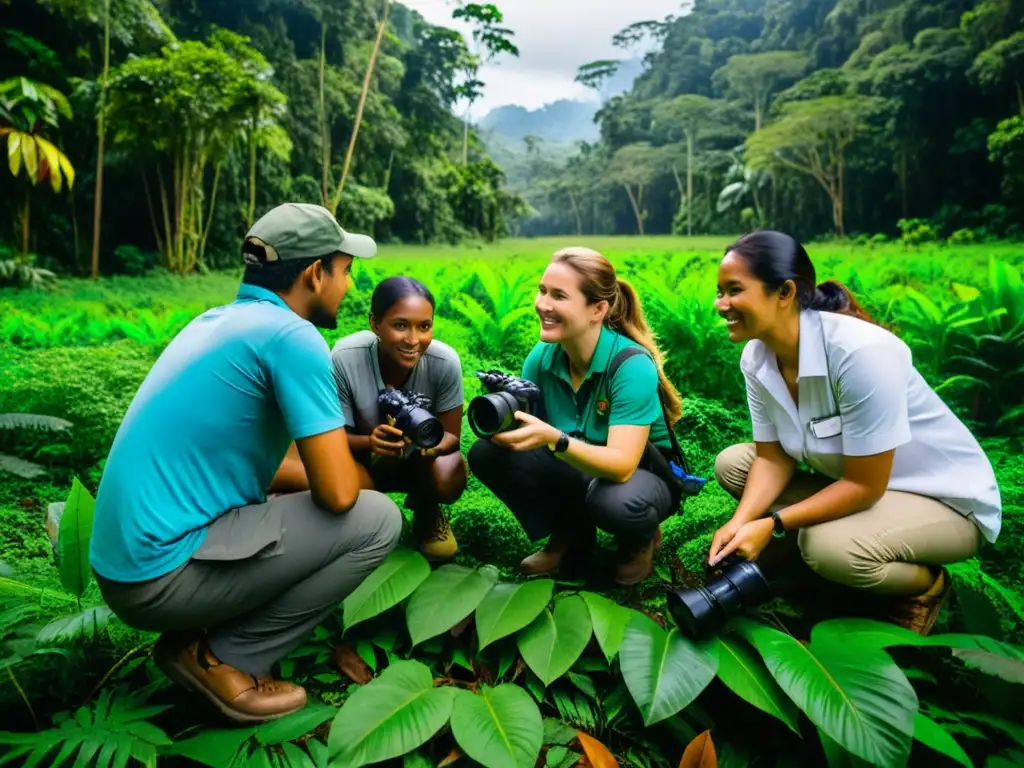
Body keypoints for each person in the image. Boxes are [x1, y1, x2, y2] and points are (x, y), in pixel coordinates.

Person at [89, 203, 403, 724]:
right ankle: (223, 656)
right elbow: (339, 496)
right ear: (313, 273)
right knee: (376, 521)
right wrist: (377, 479)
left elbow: (268, 465)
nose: (348, 285)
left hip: (124, 565)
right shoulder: (293, 338)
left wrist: (354, 470)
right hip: (160, 578)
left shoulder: (220, 321)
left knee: (303, 499)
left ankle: (198, 639)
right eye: (344, 271)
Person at [708, 230, 1001, 635]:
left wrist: (773, 523)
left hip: (942, 500)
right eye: (720, 292)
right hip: (860, 483)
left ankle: (926, 586)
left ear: (785, 292)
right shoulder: (757, 357)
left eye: (733, 291)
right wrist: (741, 523)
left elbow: (865, 486)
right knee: (734, 464)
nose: (720, 305)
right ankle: (811, 553)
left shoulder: (859, 354)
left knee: (829, 548)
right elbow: (771, 457)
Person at [468, 247, 683, 586]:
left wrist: (555, 438)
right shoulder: (542, 357)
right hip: (579, 465)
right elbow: (532, 439)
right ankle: (571, 534)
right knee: (487, 453)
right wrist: (508, 424)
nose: (543, 304)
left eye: (559, 296)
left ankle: (640, 537)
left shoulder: (630, 365)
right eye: (542, 291)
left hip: (639, 476)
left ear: (597, 309)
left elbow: (622, 464)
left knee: (611, 499)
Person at [329, 276, 466, 561]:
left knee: (448, 474)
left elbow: (452, 438)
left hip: (420, 459)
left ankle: (427, 508)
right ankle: (363, 524)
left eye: (424, 326)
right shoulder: (345, 357)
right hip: (364, 456)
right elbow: (332, 439)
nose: (413, 340)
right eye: (400, 325)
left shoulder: (444, 362)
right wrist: (371, 441)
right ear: (375, 323)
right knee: (349, 484)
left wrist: (428, 444)